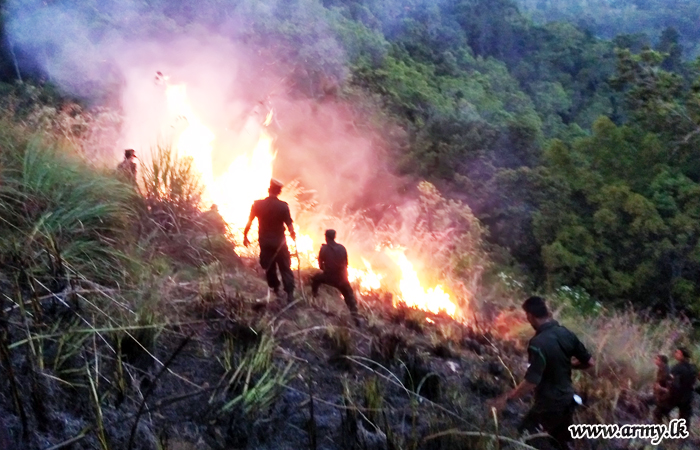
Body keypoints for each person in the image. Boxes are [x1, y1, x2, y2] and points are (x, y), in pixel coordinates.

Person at [490, 296, 594, 450]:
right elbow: (590, 362)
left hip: (549, 404)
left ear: (530, 316)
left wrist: (507, 398)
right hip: (568, 400)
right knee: (561, 443)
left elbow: (532, 381)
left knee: (524, 438)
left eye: (527, 316)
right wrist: (565, 365)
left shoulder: (537, 343)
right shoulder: (566, 334)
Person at [243, 179, 296, 302]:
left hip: (265, 242)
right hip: (280, 244)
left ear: (269, 190)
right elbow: (289, 224)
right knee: (285, 267)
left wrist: (245, 236)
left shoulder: (257, 204)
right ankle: (290, 294)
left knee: (269, 266)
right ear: (279, 192)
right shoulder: (283, 206)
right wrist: (293, 235)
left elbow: (249, 221)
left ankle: (275, 288)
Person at [311, 229, 360, 325]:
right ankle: (355, 316)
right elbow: (346, 264)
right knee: (349, 296)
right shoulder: (342, 248)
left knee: (315, 279)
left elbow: (320, 266)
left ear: (326, 237)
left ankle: (314, 297)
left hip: (329, 277)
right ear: (334, 237)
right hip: (342, 279)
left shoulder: (324, 249)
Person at [657, 347, 698, 424]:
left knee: (659, 411)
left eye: (678, 353)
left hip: (676, 396)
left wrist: (665, 390)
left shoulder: (677, 367)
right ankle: (682, 434)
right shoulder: (693, 368)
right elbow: (695, 381)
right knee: (685, 419)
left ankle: (659, 431)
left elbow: (670, 381)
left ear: (682, 355)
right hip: (688, 396)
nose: (675, 354)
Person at [653, 354, 673, 423]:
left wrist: (660, 388)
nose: (655, 361)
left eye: (657, 360)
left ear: (662, 362)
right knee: (664, 414)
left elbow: (670, 388)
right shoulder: (661, 369)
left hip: (666, 398)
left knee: (657, 413)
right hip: (662, 397)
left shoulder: (667, 372)